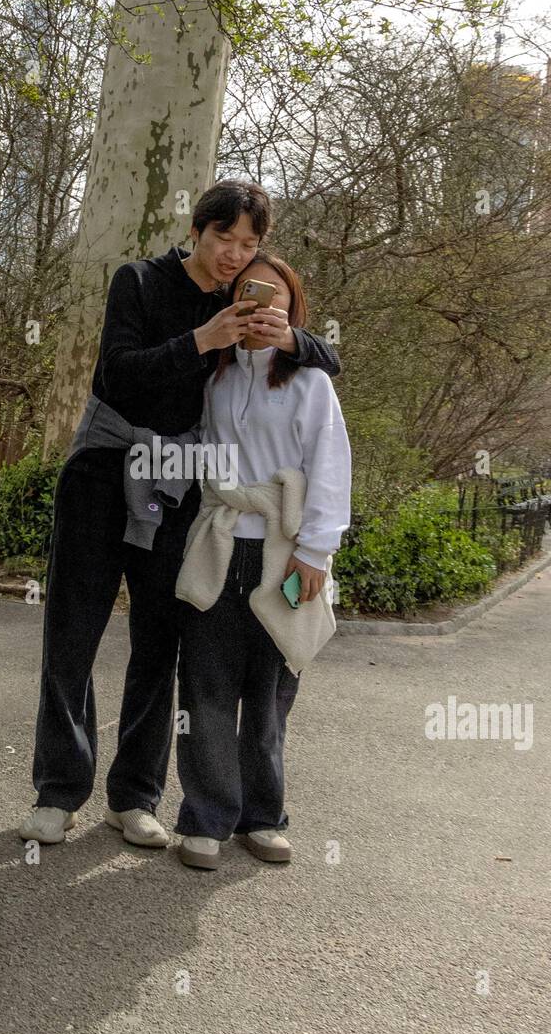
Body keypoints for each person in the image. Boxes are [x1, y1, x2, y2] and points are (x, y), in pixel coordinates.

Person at [19, 180, 340, 849]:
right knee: (71, 638)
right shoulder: (138, 281)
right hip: (105, 473)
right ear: (197, 230)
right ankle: (58, 790)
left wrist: (296, 341)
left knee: (158, 646)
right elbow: (119, 375)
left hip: (178, 488)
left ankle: (134, 796)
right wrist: (201, 338)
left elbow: (319, 363)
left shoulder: (238, 298)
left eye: (250, 243)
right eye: (224, 237)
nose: (234, 254)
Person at [173, 251, 351, 870]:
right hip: (219, 541)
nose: (261, 306)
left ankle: (263, 815)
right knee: (205, 688)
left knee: (271, 692)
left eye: (275, 297)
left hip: (283, 549)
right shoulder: (214, 377)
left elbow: (330, 466)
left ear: (292, 309)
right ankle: (206, 818)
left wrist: (316, 551)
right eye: (250, 294)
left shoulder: (310, 381)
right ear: (232, 303)